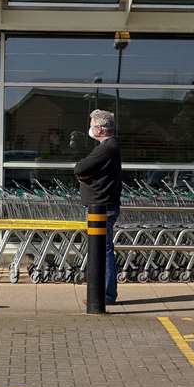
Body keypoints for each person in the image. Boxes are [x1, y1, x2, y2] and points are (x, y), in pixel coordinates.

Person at [73, 109, 122, 306]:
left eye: (93, 125)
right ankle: (104, 293)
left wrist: (82, 175)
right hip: (101, 205)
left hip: (102, 206)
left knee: (103, 250)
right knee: (102, 249)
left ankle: (106, 294)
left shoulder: (106, 148)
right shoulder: (107, 147)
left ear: (100, 129)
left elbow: (80, 168)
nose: (91, 129)